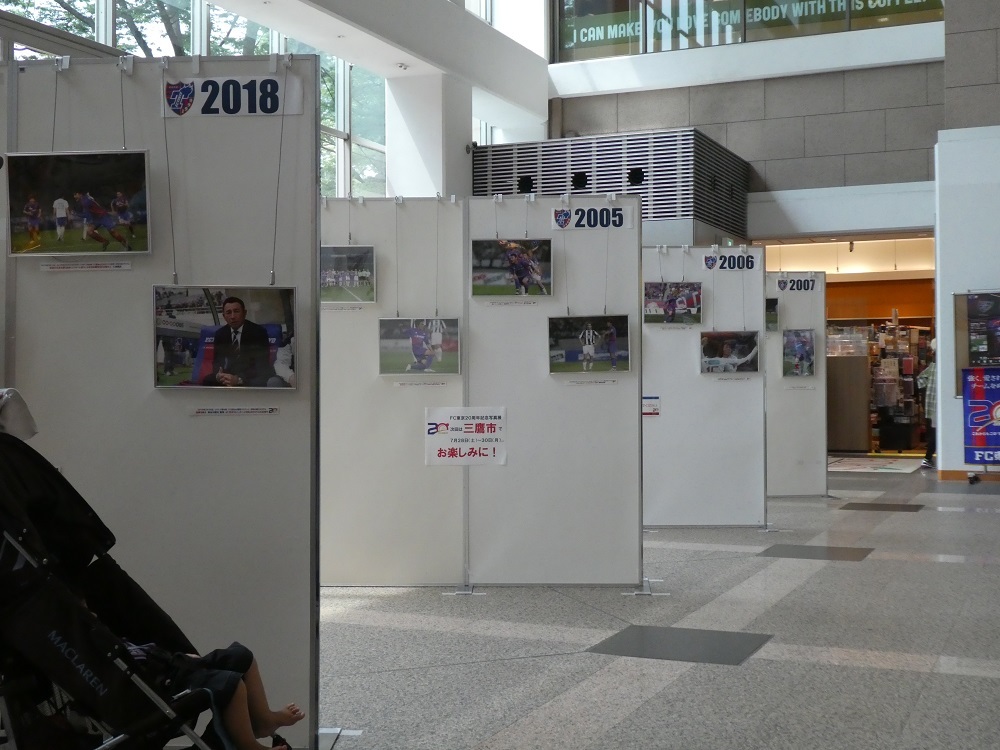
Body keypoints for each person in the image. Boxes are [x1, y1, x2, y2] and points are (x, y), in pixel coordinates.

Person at [125, 640, 303, 750]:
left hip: (167, 668)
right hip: (156, 687)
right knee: (230, 684)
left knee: (242, 656)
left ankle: (264, 721)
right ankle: (249, 747)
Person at [202, 297, 276, 387]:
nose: (232, 316)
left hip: (251, 376)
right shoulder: (220, 334)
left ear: (244, 313)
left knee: (259, 381)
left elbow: (260, 365)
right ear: (224, 316)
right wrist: (219, 375)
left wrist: (238, 379)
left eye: (236, 311)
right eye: (228, 313)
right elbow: (217, 361)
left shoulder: (258, 332)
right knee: (207, 380)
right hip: (228, 375)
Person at [917, 339, 937, 469]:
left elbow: (920, 379)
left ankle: (928, 458)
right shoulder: (945, 365)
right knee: (936, 433)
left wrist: (926, 391)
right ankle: (928, 457)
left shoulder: (933, 367)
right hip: (940, 407)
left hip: (931, 406)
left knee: (933, 432)